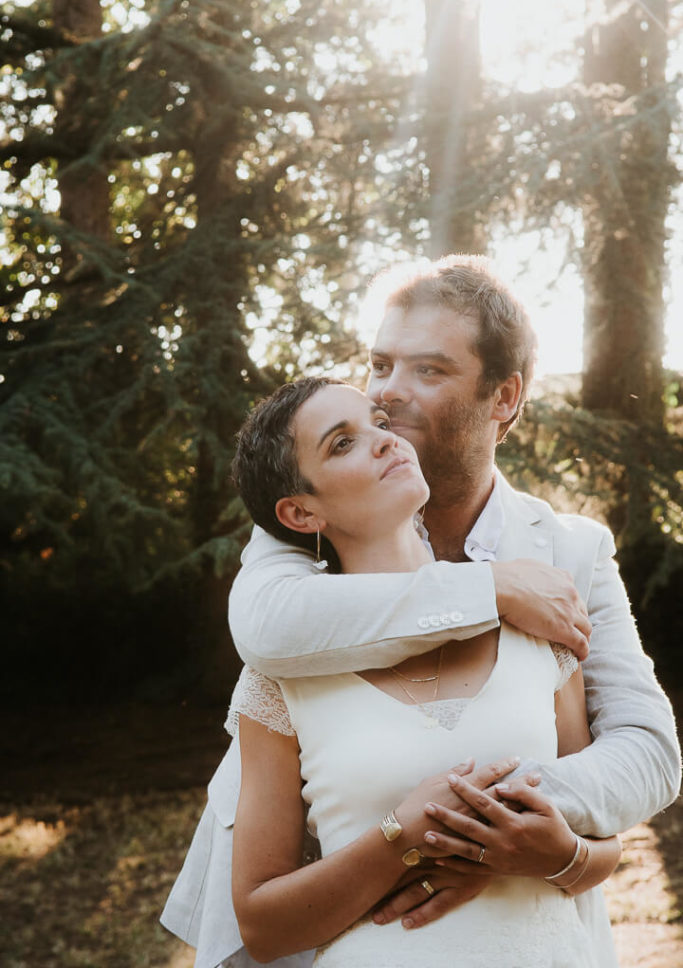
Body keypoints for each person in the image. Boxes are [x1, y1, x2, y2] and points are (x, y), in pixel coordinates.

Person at [161, 256, 680, 968]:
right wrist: (490, 590)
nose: (390, 395)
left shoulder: (567, 554)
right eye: (379, 365)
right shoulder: (299, 535)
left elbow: (646, 753)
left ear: (503, 398)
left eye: (429, 371)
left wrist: (497, 826)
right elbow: (265, 631)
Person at [227, 376, 622, 967]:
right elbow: (262, 926)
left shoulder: (536, 624)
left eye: (379, 425)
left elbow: (602, 847)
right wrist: (400, 837)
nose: (386, 441)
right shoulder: (280, 676)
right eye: (342, 443)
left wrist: (553, 853)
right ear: (301, 511)